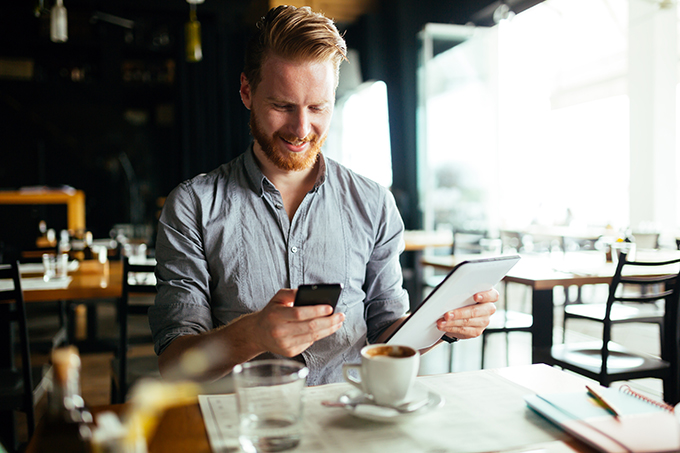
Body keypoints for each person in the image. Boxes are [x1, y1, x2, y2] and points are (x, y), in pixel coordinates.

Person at [148, 5, 498, 386]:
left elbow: (386, 334)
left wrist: (441, 323)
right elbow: (175, 364)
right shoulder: (192, 206)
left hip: (350, 419)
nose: (301, 129)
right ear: (247, 91)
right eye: (282, 106)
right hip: (246, 425)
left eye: (317, 107)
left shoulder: (374, 203)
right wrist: (254, 335)